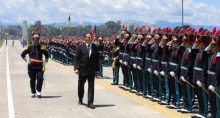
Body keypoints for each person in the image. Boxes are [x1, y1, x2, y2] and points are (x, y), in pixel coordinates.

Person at [74, 33, 99, 109]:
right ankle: (80, 98)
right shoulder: (80, 47)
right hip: (82, 70)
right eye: (88, 37)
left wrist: (97, 70)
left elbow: (97, 59)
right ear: (84, 38)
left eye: (91, 37)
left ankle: (90, 102)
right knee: (81, 85)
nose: (90, 38)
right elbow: (76, 58)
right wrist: (76, 68)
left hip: (91, 70)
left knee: (91, 86)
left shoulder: (95, 47)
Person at [21, 32, 48, 98]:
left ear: (39, 38)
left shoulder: (43, 46)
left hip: (40, 66)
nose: (35, 40)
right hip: (31, 66)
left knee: (40, 78)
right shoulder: (29, 45)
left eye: (37, 38)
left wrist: (45, 62)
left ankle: (38, 92)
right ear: (32, 38)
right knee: (32, 79)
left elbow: (47, 55)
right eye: (34, 38)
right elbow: (22, 54)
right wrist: (27, 60)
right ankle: (33, 92)